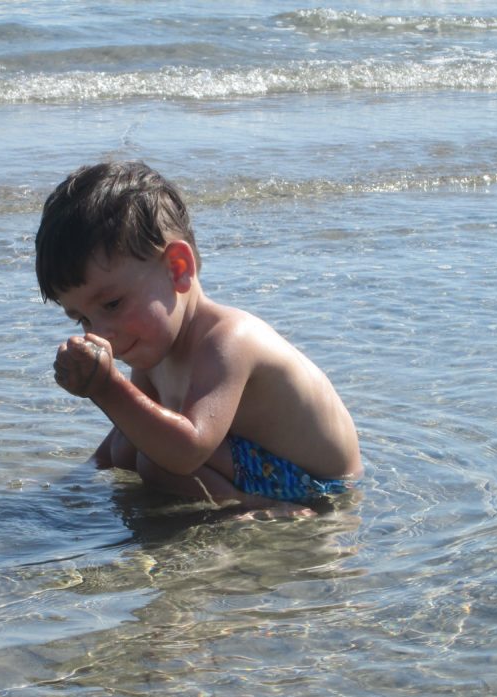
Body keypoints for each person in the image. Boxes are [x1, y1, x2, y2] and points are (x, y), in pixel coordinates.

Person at [36, 161, 362, 509]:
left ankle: (264, 510)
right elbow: (125, 433)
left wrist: (106, 387)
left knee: (158, 462)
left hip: (316, 485)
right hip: (253, 460)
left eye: (113, 304)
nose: (100, 333)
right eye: (82, 319)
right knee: (129, 446)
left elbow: (188, 450)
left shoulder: (229, 340)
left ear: (178, 269)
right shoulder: (153, 345)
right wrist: (84, 476)